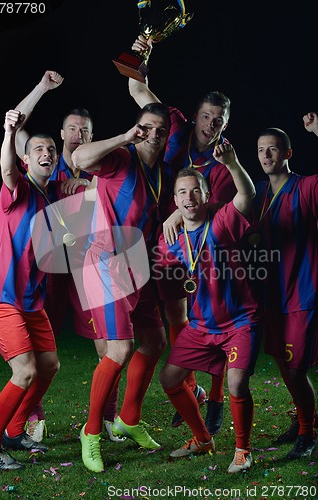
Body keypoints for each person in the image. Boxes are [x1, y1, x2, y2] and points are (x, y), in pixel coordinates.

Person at [127, 35, 237, 432]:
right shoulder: (172, 126)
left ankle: (218, 398)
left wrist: (179, 211)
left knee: (213, 321)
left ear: (226, 123)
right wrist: (143, 53)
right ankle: (190, 389)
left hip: (206, 253)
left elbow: (223, 212)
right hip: (166, 248)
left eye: (219, 120)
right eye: (207, 116)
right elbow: (137, 87)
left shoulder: (224, 162)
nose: (212, 125)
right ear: (194, 116)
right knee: (176, 319)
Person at [14, 71, 124, 443]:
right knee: (34, 349)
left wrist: (92, 186)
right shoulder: (45, 164)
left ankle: (107, 418)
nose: (79, 135)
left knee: (108, 346)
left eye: (86, 130)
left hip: (88, 268)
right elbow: (17, 129)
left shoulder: (104, 167)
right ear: (62, 135)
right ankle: (33, 414)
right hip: (46, 271)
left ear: (93, 136)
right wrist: (42, 88)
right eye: (73, 129)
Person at [71, 102, 174, 473]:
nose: (154, 135)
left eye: (161, 130)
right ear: (138, 129)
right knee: (119, 349)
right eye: (148, 128)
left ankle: (128, 419)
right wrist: (123, 138)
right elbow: (80, 156)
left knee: (156, 342)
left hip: (139, 267)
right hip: (105, 263)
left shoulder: (161, 171)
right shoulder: (121, 159)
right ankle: (92, 431)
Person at [157, 143, 261, 473]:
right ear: (175, 201)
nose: (189, 198)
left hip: (239, 320)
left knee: (236, 385)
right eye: (182, 193)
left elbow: (246, 195)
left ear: (206, 194)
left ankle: (243, 450)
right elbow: (154, 266)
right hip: (202, 325)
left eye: (195, 191)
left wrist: (231, 162)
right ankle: (203, 439)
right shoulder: (171, 237)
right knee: (170, 378)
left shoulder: (222, 221)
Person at [0, 110, 61, 470]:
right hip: (2, 297)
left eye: (53, 149)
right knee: (25, 371)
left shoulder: (50, 198)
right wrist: (9, 132)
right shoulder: (18, 188)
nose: (48, 152)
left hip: (31, 300)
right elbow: (5, 168)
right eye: (40, 149)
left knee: (49, 365)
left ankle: (17, 430)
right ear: (26, 158)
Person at [253, 118, 318, 459]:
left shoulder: (305, 186)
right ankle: (305, 419)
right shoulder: (259, 194)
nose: (265, 155)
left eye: (272, 149)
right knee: (282, 363)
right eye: (261, 150)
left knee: (295, 368)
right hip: (271, 294)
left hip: (302, 293)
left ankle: (308, 435)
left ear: (287, 153)